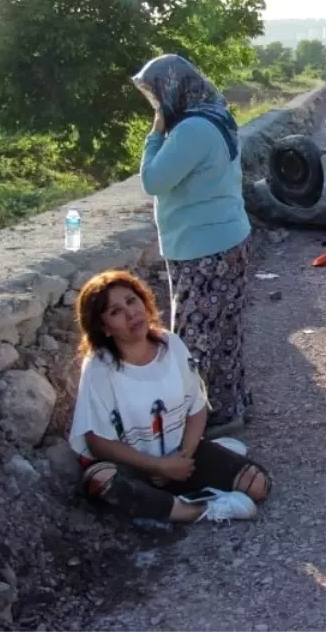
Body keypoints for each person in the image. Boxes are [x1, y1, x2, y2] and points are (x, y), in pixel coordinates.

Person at [70, 271, 270, 524]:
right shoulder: (100, 368)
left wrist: (182, 458)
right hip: (132, 466)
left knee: (259, 485)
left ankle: (191, 478)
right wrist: (156, 466)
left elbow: (197, 408)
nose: (131, 313)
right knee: (102, 482)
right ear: (104, 328)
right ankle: (201, 511)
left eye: (132, 301)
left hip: (180, 455)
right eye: (115, 312)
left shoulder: (171, 345)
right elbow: (97, 441)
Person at [133, 54, 253, 436]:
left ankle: (203, 419)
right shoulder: (214, 115)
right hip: (220, 238)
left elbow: (153, 180)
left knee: (196, 340)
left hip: (204, 246)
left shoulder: (193, 130)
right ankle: (231, 407)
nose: (156, 104)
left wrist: (154, 134)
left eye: (156, 95)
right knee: (224, 332)